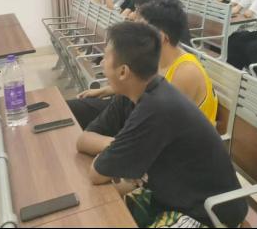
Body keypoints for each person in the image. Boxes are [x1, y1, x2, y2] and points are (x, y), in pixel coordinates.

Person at [76, 22, 247, 228]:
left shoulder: (156, 108)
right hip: (168, 196)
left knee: (104, 207)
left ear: (123, 72)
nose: (102, 63)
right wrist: (119, 146)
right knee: (98, 209)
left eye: (105, 57)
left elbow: (97, 173)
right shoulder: (130, 96)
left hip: (208, 213)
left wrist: (121, 152)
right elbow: (83, 140)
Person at [68, 0, 215, 128]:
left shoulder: (185, 72)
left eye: (141, 30)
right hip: (147, 116)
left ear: (161, 37)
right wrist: (106, 90)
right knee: (74, 109)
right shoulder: (156, 57)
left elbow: (160, 121)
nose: (135, 34)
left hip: (167, 134)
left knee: (86, 123)